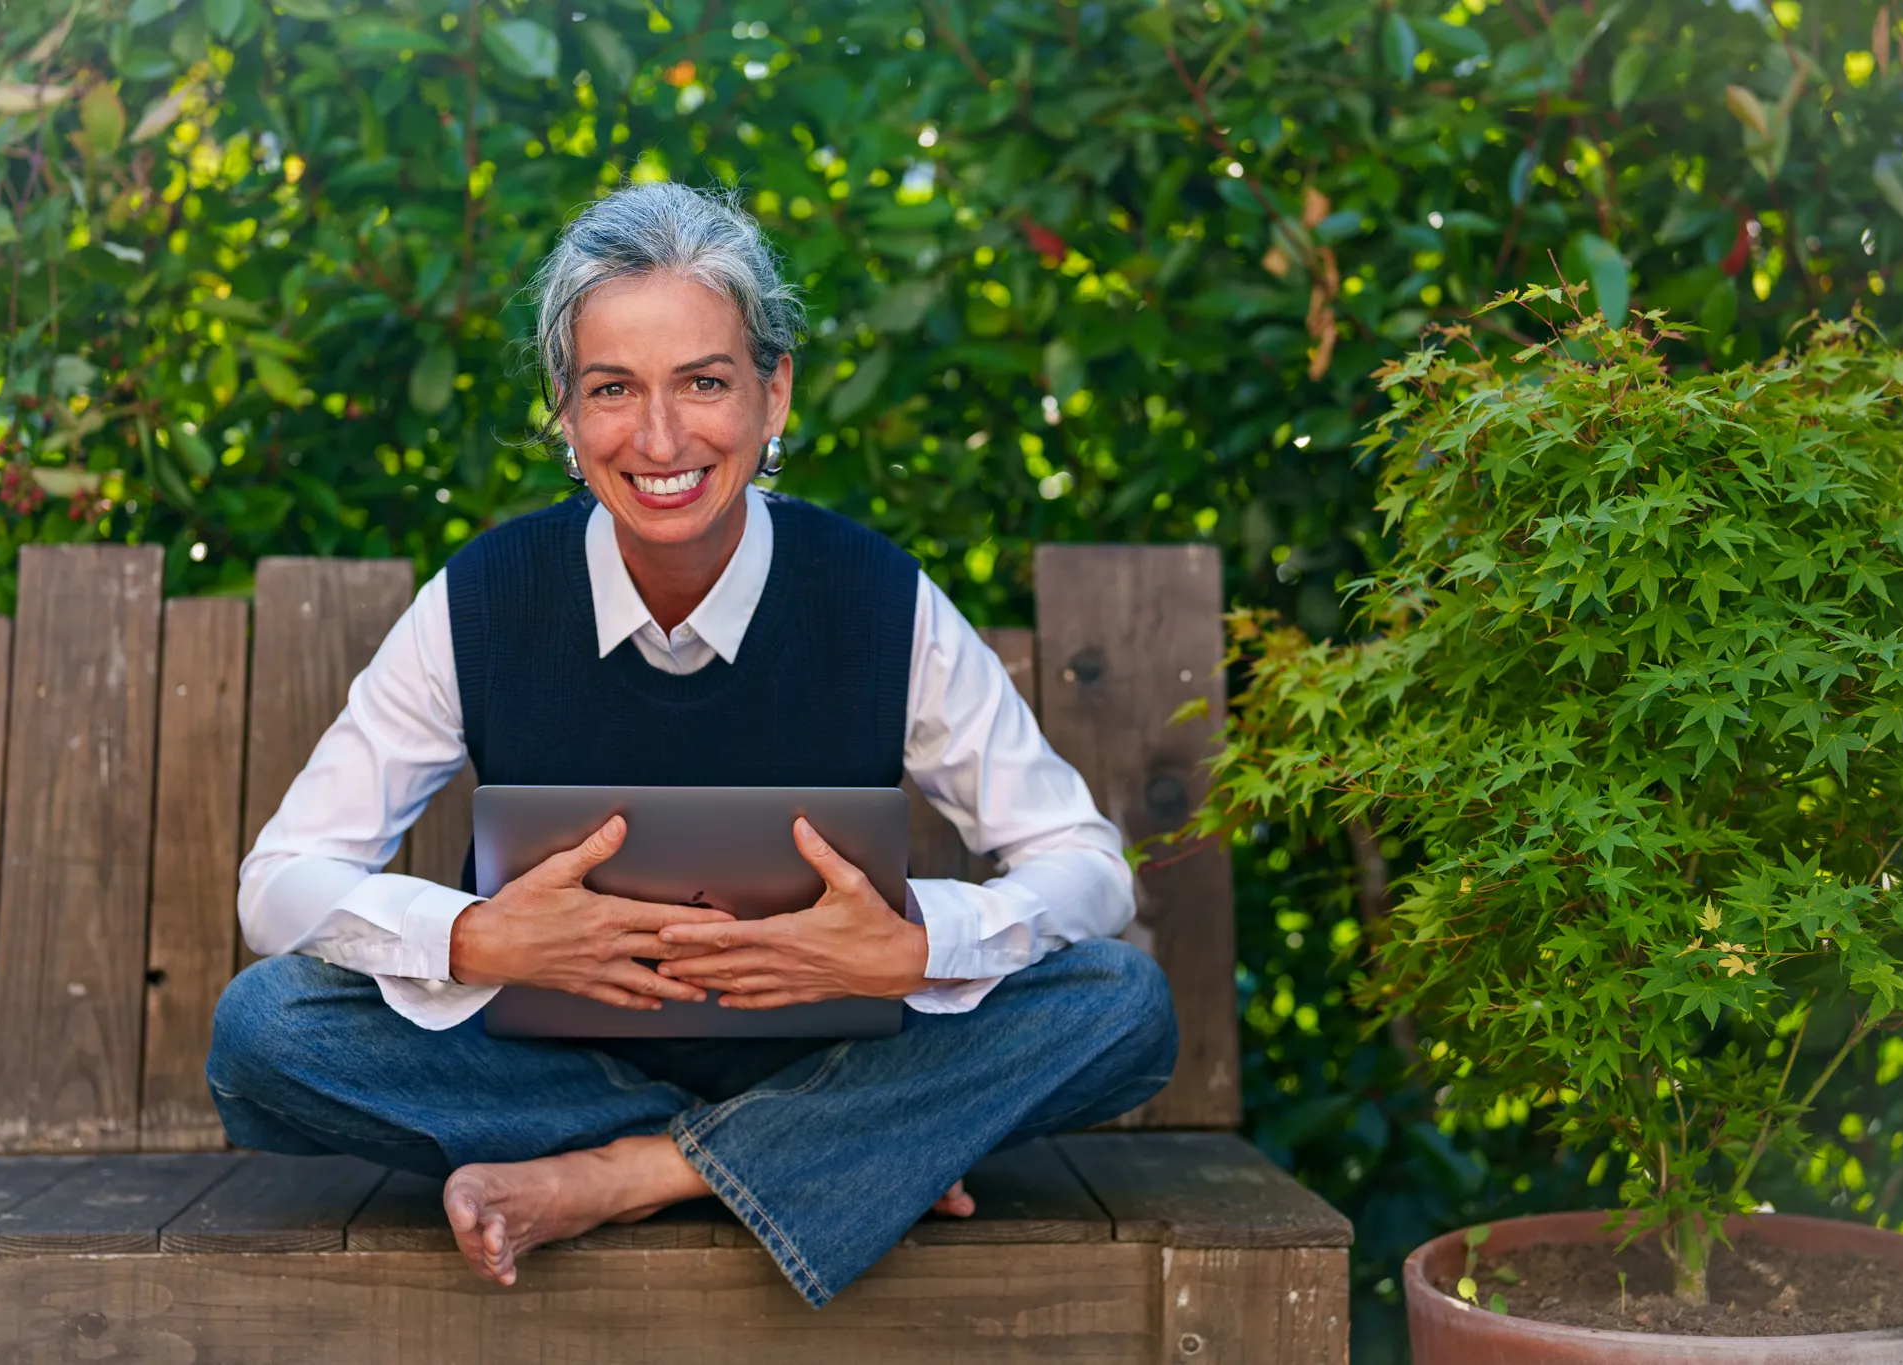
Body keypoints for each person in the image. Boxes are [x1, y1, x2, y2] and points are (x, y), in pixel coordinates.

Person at [206, 182, 1177, 1309]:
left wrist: (910, 950)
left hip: (828, 1050)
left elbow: (1086, 870)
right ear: (565, 415)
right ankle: (827, 1159)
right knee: (265, 1030)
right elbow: (281, 883)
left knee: (1118, 1003)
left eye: (704, 384)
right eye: (613, 389)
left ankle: (627, 1176)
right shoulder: (483, 601)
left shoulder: (874, 598)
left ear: (773, 395)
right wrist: (475, 938)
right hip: (550, 1068)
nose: (659, 438)